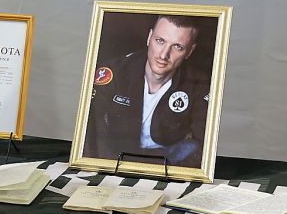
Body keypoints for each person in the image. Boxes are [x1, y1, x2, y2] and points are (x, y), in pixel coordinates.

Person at [82, 14, 211, 168]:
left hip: (166, 157)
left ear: (189, 51)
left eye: (178, 47)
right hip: (117, 153)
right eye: (160, 41)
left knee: (191, 148)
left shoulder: (198, 83)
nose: (163, 55)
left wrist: (167, 174)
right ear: (149, 38)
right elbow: (90, 130)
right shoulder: (115, 71)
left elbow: (204, 142)